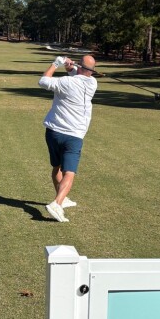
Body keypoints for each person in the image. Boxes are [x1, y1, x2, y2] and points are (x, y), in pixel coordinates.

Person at [38, 54, 98, 222]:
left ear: (80, 67)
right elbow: (79, 76)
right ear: (91, 71)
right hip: (74, 136)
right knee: (69, 173)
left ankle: (62, 199)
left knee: (56, 168)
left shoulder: (65, 82)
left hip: (53, 132)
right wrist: (71, 68)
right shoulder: (93, 83)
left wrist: (56, 64)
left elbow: (43, 81)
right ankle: (57, 203)